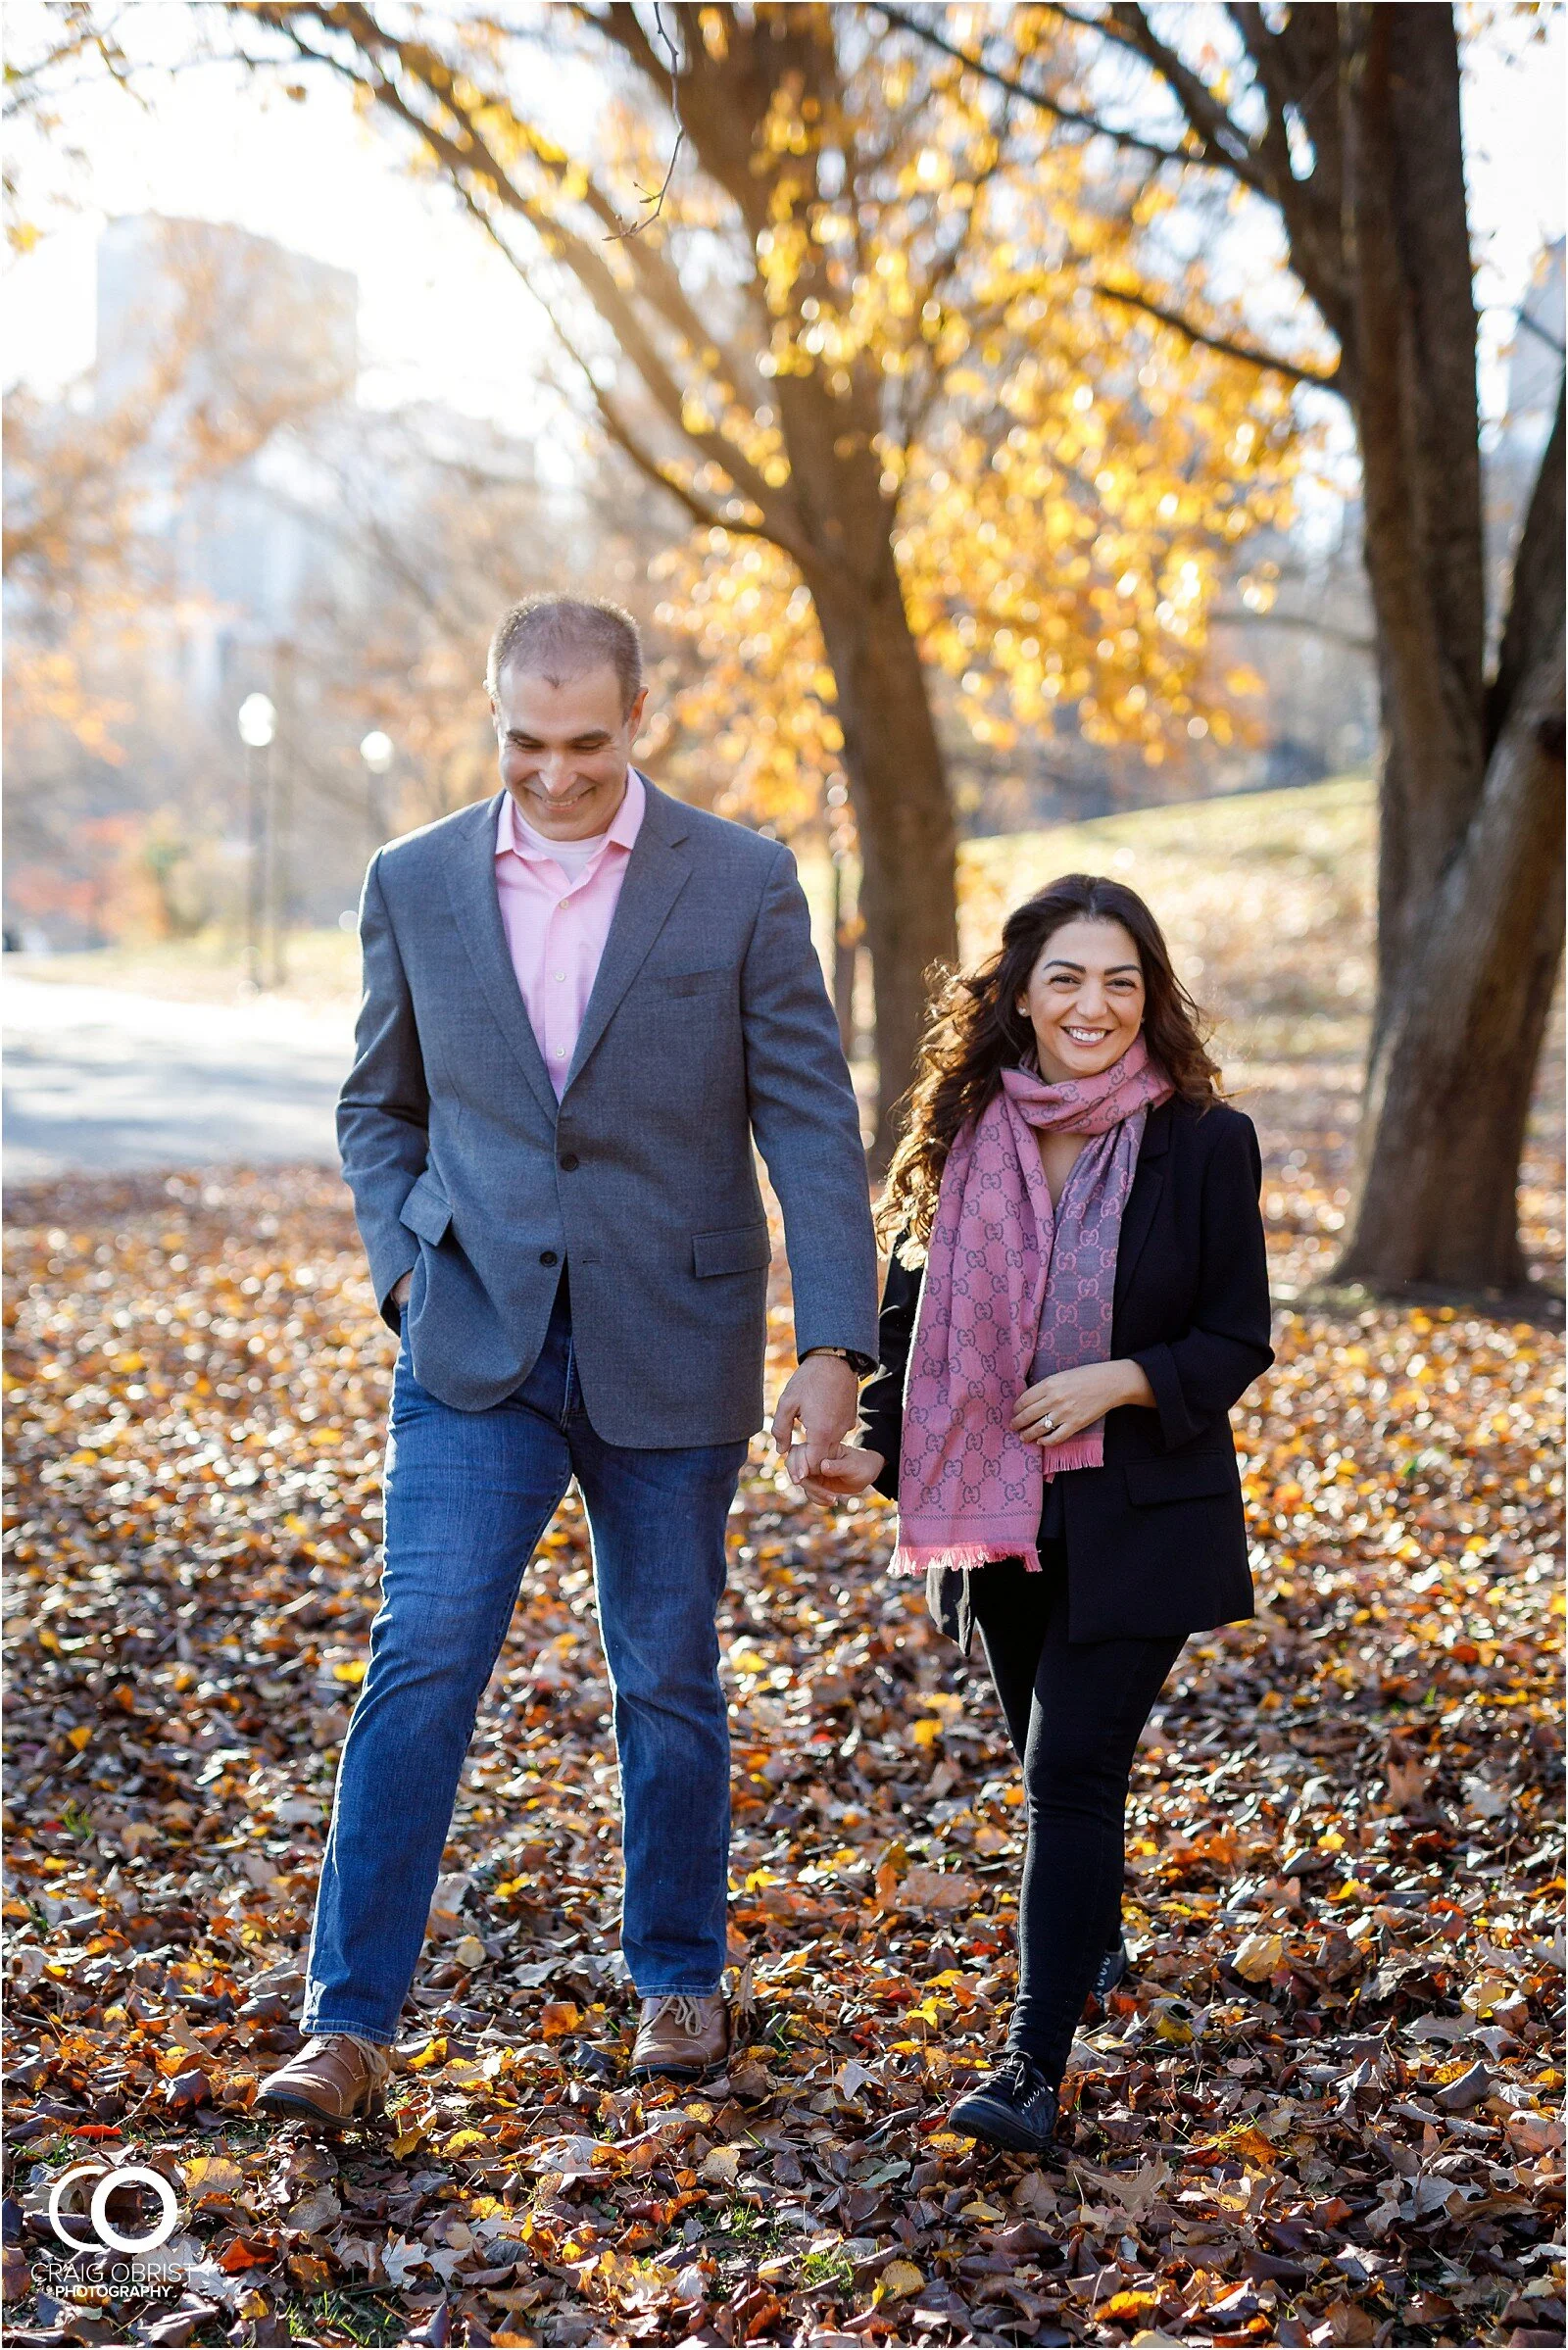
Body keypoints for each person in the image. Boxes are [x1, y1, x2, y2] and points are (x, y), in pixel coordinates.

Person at [260, 595, 878, 2124]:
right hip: (474, 1341)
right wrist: (405, 1272)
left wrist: (836, 1344)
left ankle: (678, 1975)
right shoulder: (414, 882)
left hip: (677, 1339)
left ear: (639, 717)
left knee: (665, 1671)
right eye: (525, 743)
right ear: (494, 724)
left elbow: (806, 1116)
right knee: (422, 1658)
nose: (555, 773)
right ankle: (346, 2021)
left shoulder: (739, 880)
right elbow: (374, 1107)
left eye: (586, 742)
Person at [803, 875, 1272, 2154]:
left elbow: (1238, 1333)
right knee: (1054, 1766)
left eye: (1122, 980)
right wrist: (876, 1450)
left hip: (1142, 1511)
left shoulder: (1204, 1142)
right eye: (1067, 976)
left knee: (1069, 1770)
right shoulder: (969, 1133)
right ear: (1018, 991)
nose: (1095, 1003)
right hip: (996, 1515)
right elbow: (913, 1336)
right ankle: (1094, 1938)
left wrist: (1121, 1379)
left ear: (1151, 996)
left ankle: (1028, 2068)